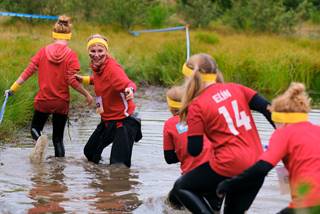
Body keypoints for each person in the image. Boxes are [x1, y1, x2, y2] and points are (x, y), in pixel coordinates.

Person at [170, 53, 274, 214]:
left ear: (190, 79)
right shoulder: (237, 88)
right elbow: (269, 108)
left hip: (230, 164)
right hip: (258, 164)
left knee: (181, 187)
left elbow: (194, 150)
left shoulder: (197, 105)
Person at [217, 82, 320, 214]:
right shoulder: (317, 130)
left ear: (280, 120)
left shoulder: (283, 133)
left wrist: (230, 184)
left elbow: (261, 168)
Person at [5, 15, 93, 157]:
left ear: (53, 34)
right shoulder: (71, 55)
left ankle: (40, 140)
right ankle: (59, 173)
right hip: (61, 102)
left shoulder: (43, 51)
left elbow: (27, 72)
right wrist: (87, 94)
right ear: (69, 36)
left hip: (43, 100)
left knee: (35, 128)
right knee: (58, 139)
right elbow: (72, 80)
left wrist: (13, 89)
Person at [77, 34, 142, 168]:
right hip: (108, 120)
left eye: (100, 51)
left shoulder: (112, 68)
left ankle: (120, 186)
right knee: (90, 152)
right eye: (92, 51)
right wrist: (84, 79)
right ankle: (98, 177)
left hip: (125, 121)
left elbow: (128, 83)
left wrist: (130, 90)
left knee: (118, 166)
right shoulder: (97, 66)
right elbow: (101, 80)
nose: (96, 55)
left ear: (106, 51)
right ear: (88, 51)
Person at [164, 85, 223, 213]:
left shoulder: (170, 124)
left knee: (171, 205)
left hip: (192, 179)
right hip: (220, 173)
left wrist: (182, 152)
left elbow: (169, 158)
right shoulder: (204, 115)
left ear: (170, 106)